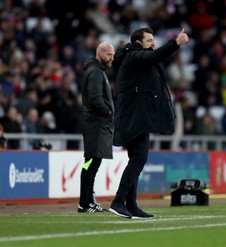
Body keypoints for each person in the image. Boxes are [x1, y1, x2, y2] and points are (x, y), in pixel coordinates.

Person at [110, 27, 189, 218]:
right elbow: (153, 58)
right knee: (139, 159)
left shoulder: (135, 56)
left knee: (136, 159)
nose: (153, 43)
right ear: (138, 42)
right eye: (149, 40)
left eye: (153, 40)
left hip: (137, 117)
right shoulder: (134, 55)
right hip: (134, 118)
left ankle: (131, 205)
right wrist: (175, 43)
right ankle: (118, 201)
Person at [78, 42, 115, 213]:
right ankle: (85, 203)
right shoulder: (96, 72)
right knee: (90, 163)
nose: (111, 58)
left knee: (91, 163)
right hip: (96, 125)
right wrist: (108, 110)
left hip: (96, 124)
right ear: (99, 54)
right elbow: (94, 98)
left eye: (113, 55)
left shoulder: (97, 71)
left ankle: (87, 201)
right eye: (108, 55)